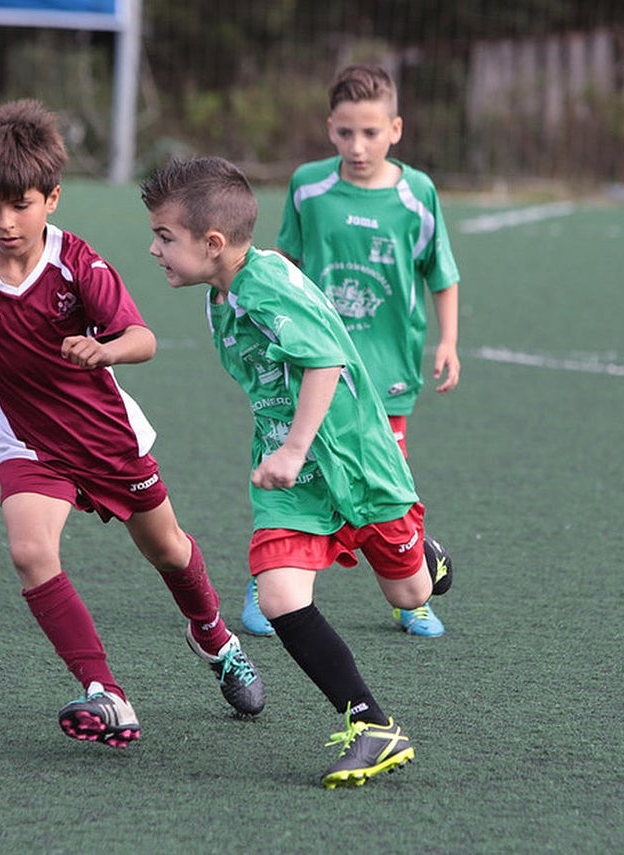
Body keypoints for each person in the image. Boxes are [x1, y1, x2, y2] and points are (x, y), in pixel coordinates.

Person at [0, 100, 264, 748]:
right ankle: (106, 691)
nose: (5, 220)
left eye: (20, 204)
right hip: (29, 445)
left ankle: (213, 635)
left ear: (50, 198)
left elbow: (143, 336)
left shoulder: (76, 263)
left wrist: (106, 348)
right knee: (27, 548)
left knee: (167, 548)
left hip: (107, 438)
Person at [141, 154, 451, 787]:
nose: (154, 250)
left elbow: (326, 361)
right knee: (281, 596)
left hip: (356, 463)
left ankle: (428, 555)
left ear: (215, 242)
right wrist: (284, 453)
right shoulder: (223, 291)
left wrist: (292, 449)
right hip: (295, 477)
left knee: (411, 593)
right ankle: (372, 726)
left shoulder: (266, 285)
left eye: (165, 237)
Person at [241, 63, 459, 638]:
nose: (357, 146)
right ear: (329, 128)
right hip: (310, 365)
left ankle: (409, 593)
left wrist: (449, 341)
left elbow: (441, 270)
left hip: (386, 369)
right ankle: (268, 575)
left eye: (370, 132)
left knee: (386, 480)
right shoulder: (309, 185)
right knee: (298, 468)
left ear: (396, 129)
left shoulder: (418, 194)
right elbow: (282, 265)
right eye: (344, 133)